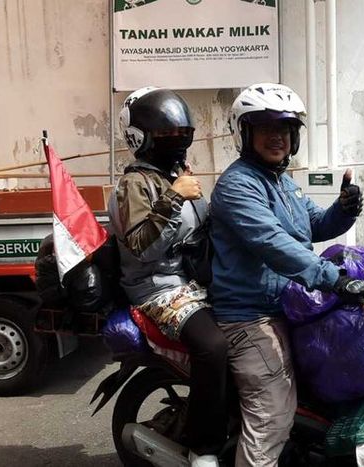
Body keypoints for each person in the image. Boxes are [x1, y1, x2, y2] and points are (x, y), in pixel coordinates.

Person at [210, 83, 364, 466]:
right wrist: (334, 279)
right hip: (250, 315)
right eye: (265, 128)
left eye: (285, 130)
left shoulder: (282, 182)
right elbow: (273, 242)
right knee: (272, 416)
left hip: (288, 304)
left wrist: (344, 209)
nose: (277, 137)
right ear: (245, 134)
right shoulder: (237, 186)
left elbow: (315, 226)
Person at [108, 86, 227, 467]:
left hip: (192, 282)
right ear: (140, 138)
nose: (175, 143)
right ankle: (203, 448)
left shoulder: (174, 174)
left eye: (181, 136)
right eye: (165, 137)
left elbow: (200, 230)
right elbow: (143, 247)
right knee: (213, 347)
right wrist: (174, 198)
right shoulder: (134, 184)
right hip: (158, 289)